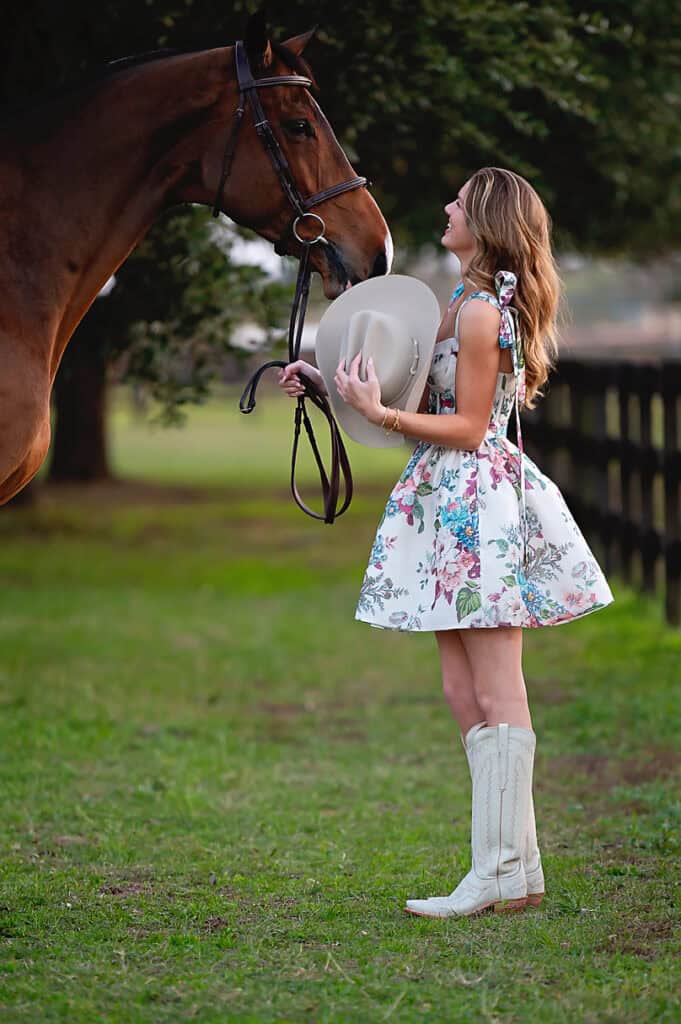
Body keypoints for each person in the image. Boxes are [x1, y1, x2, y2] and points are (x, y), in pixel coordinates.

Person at [278, 167, 615, 918]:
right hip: (449, 504)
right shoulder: (460, 304)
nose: (445, 208)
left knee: (496, 690)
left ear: (484, 220)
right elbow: (409, 390)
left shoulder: (479, 314)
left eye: (458, 202)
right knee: (463, 691)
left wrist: (388, 421)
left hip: (474, 505)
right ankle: (512, 868)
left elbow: (464, 427)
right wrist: (329, 384)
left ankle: (498, 870)